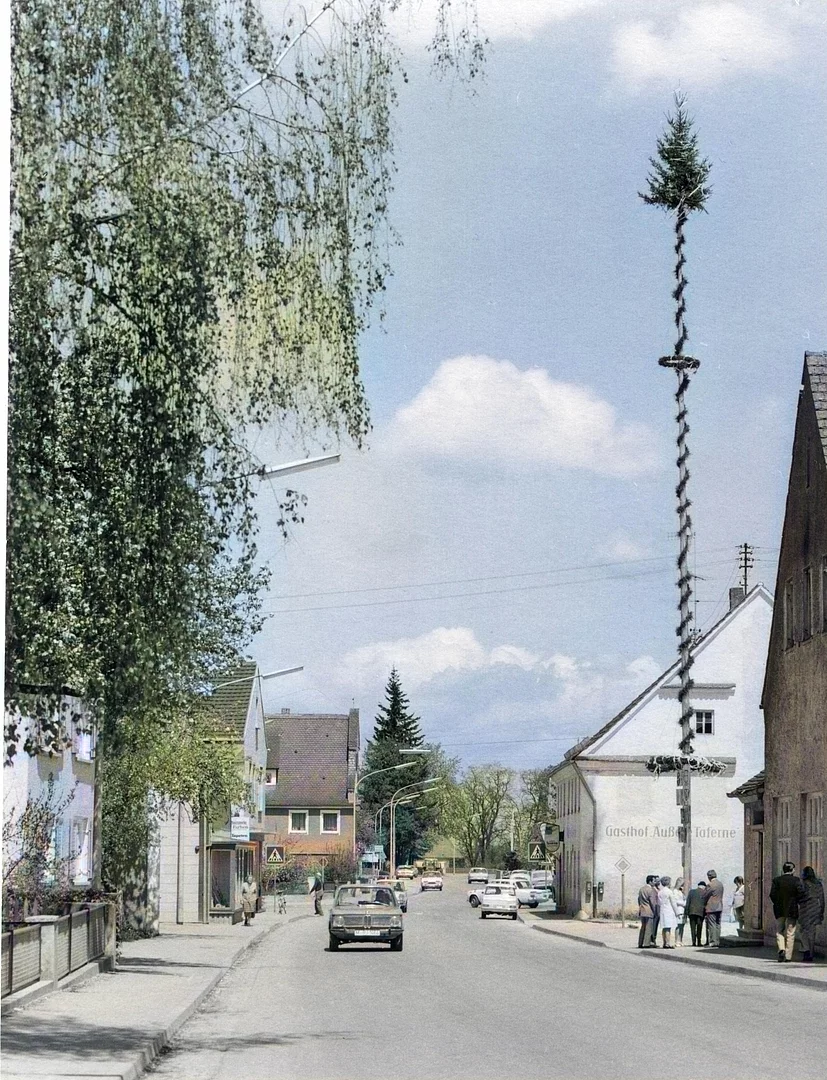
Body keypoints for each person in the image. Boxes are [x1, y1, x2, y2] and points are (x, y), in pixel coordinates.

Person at [770, 861, 805, 962]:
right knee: (790, 932)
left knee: (779, 930)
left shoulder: (776, 880)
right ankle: (788, 956)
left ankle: (781, 948)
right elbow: (801, 893)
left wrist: (777, 903)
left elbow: (772, 894)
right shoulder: (796, 880)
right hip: (792, 909)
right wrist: (796, 901)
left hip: (779, 909)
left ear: (783, 870)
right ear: (792, 870)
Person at [796, 866, 824, 963]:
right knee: (812, 932)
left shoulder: (803, 883)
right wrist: (821, 911)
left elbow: (799, 896)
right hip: (815, 908)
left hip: (805, 908)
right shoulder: (818, 884)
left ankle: (806, 950)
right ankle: (811, 954)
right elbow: (822, 899)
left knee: (803, 930)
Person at [702, 869, 724, 947]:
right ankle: (718, 941)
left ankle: (713, 941)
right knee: (718, 924)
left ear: (709, 877)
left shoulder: (710, 885)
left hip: (711, 907)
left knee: (712, 925)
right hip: (719, 906)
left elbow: (704, 895)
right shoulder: (720, 884)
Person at [657, 875, 679, 948]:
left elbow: (659, 903)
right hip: (669, 910)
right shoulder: (669, 892)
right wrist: (677, 912)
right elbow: (673, 903)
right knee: (668, 927)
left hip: (662, 910)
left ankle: (664, 942)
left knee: (664, 927)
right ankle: (667, 943)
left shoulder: (660, 892)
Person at [637, 875, 658, 948]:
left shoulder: (641, 889)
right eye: (654, 881)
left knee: (643, 927)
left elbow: (639, 899)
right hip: (649, 910)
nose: (655, 883)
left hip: (642, 910)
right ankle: (646, 943)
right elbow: (652, 902)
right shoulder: (650, 890)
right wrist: (655, 911)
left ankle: (640, 942)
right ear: (650, 881)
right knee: (648, 928)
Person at [686, 880, 706, 946]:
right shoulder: (705, 893)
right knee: (699, 928)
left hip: (692, 912)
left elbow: (688, 902)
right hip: (700, 913)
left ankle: (693, 942)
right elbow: (706, 903)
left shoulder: (691, 892)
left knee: (692, 927)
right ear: (704, 887)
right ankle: (699, 941)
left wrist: (686, 912)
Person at [674, 878, 687, 946]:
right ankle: (677, 941)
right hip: (679, 909)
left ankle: (680, 940)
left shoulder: (681, 891)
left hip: (683, 910)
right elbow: (675, 901)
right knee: (678, 926)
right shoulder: (675, 891)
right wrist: (684, 903)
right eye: (682, 884)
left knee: (682, 926)